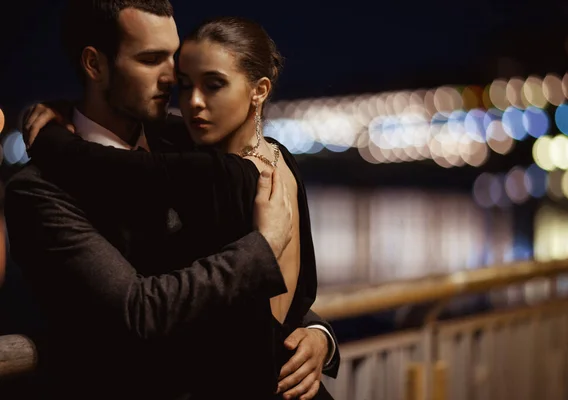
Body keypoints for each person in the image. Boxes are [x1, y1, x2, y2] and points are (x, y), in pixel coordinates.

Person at [7, 2, 338, 400]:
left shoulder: (200, 144)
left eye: (173, 59)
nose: (171, 79)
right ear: (95, 65)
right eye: (150, 59)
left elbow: (267, 287)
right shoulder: (39, 191)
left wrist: (318, 334)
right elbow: (136, 310)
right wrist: (262, 249)